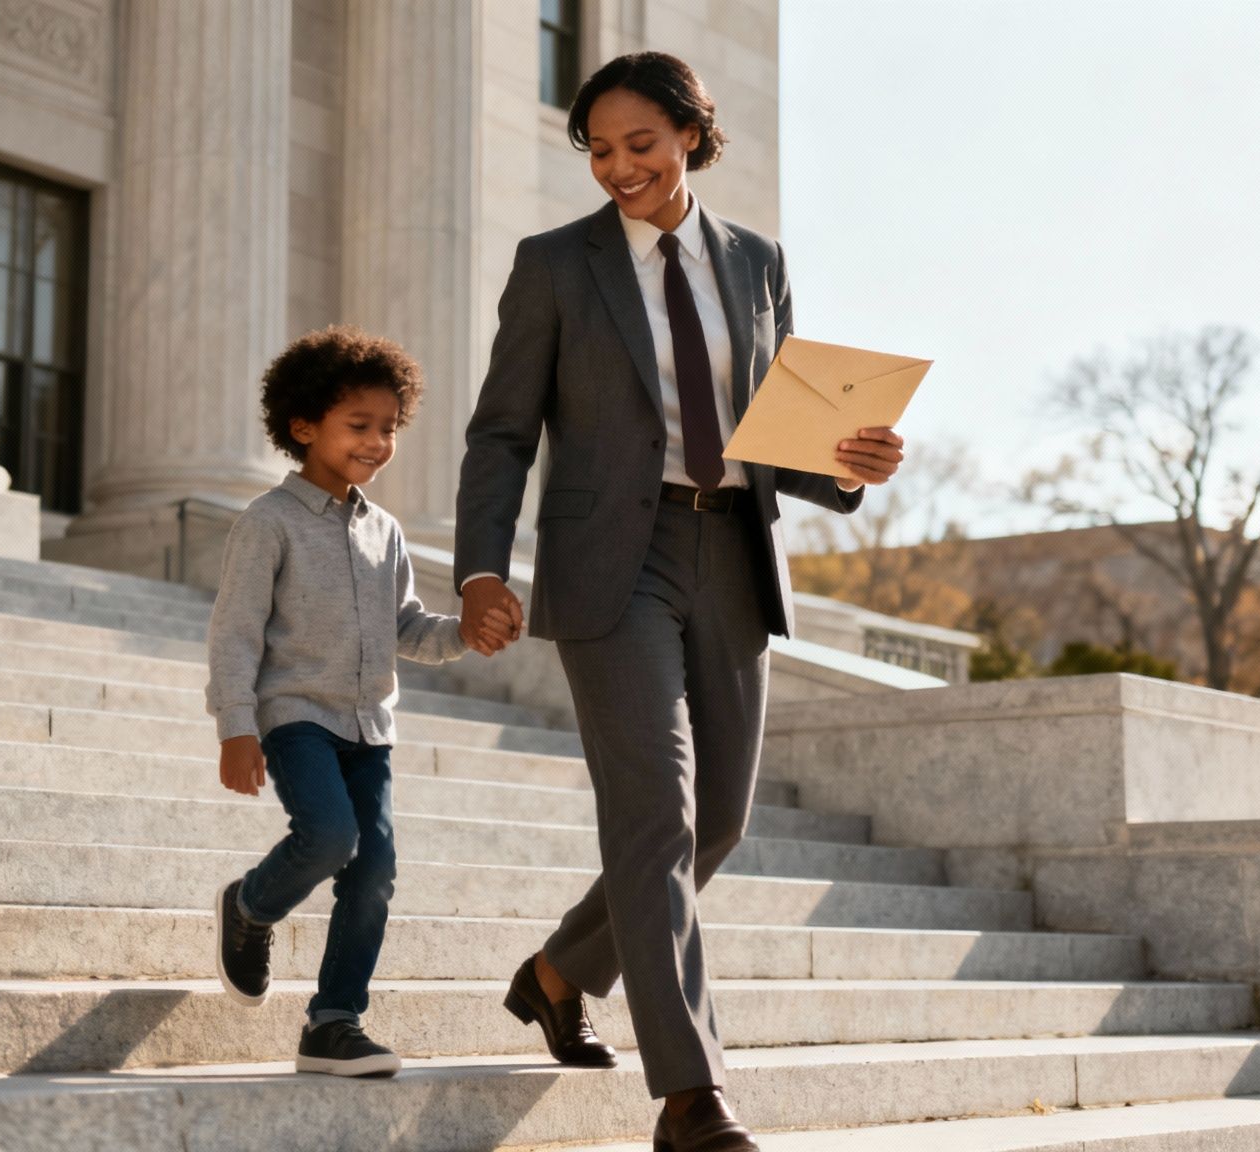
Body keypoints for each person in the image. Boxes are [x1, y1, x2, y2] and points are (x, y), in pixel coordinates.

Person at [453, 53, 907, 1151]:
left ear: (690, 136)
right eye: (599, 151)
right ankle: (690, 1097)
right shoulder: (555, 265)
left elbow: (778, 434)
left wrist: (848, 464)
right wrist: (477, 569)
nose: (617, 169)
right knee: (654, 812)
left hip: (730, 551)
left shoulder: (755, 263)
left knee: (721, 821)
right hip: (612, 556)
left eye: (638, 145)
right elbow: (502, 432)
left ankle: (558, 973)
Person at [207, 326, 515, 1077]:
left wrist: (465, 633)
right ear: (303, 426)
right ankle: (250, 906)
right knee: (330, 838)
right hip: (295, 717)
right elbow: (236, 632)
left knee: (374, 867)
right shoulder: (268, 523)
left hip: (370, 727)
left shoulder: (386, 532)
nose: (378, 442)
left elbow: (405, 626)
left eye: (389, 428)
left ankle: (334, 1021)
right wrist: (235, 728)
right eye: (359, 426)